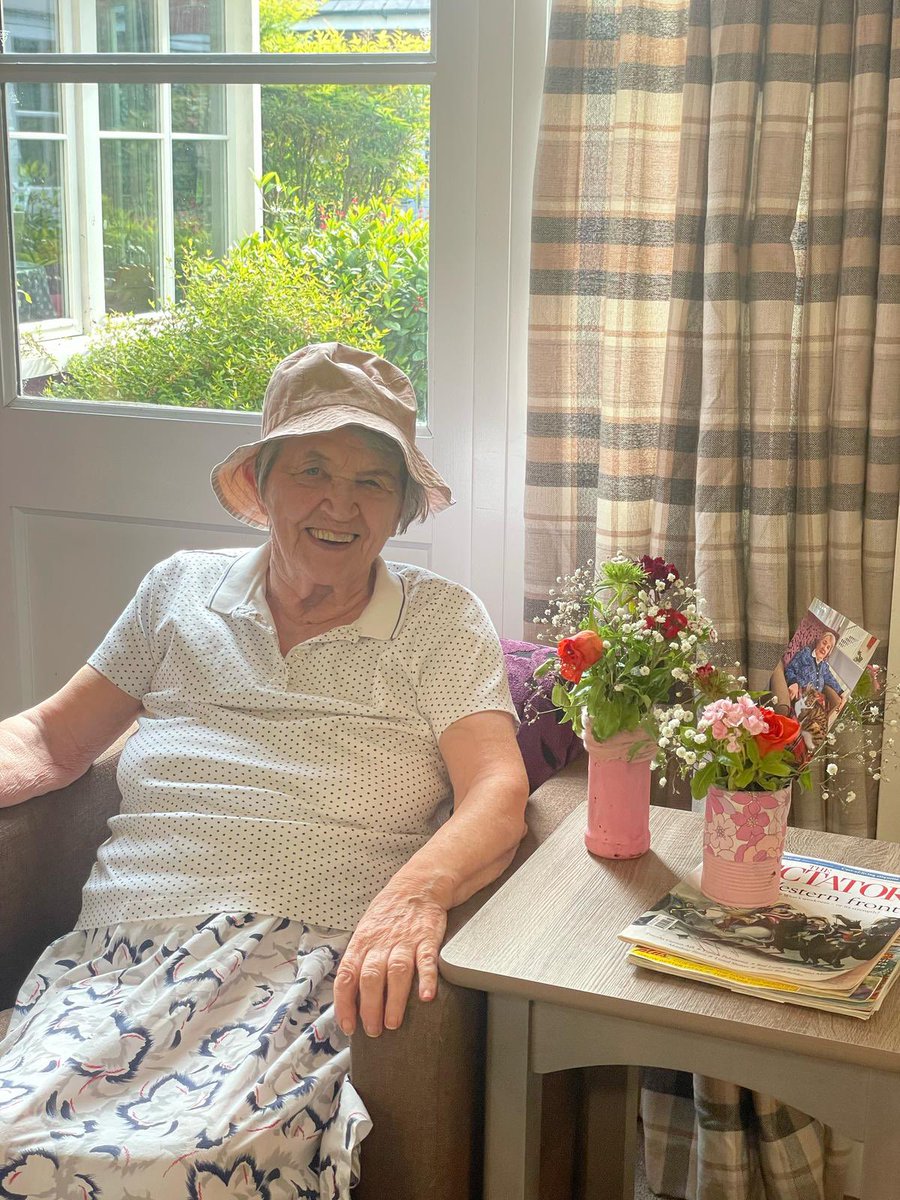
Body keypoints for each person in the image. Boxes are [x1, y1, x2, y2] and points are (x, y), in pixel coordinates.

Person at [0, 343, 529, 1198]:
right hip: (123, 955)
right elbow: (48, 741)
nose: (339, 504)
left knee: (187, 1165)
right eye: (312, 468)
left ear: (399, 508)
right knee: (14, 1134)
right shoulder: (177, 592)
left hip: (303, 965)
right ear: (264, 482)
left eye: (372, 481)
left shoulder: (439, 622)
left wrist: (414, 894)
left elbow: (497, 790)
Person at [784, 630, 847, 719]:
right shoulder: (806, 654)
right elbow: (790, 669)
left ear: (828, 652)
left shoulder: (824, 666)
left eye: (828, 647)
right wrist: (793, 683)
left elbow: (831, 679)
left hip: (815, 704)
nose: (824, 648)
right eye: (824, 643)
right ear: (818, 642)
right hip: (801, 698)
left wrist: (842, 694)